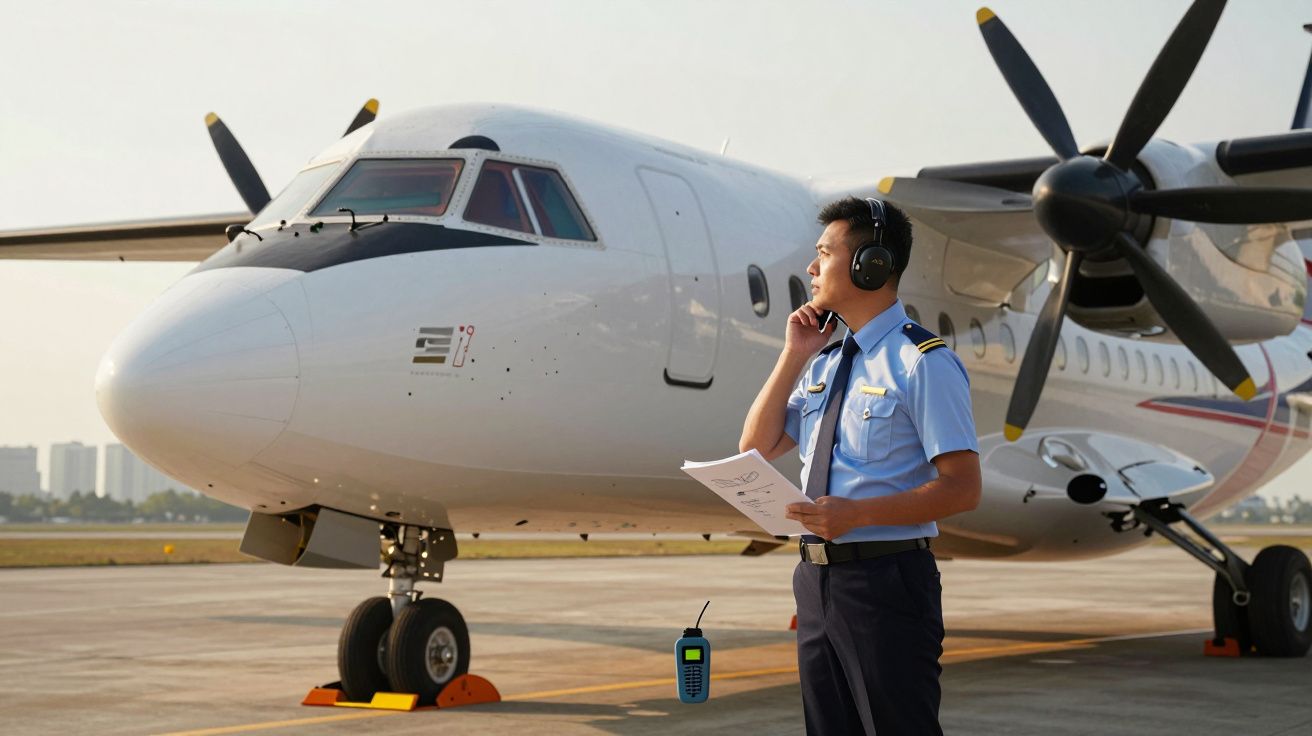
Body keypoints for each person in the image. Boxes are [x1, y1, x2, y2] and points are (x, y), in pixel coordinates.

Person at [739, 196, 981, 735]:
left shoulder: (924, 362)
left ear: (868, 264)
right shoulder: (824, 360)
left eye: (824, 252)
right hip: (816, 580)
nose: (811, 267)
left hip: (887, 581)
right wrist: (794, 353)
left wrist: (859, 515)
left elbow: (963, 489)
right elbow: (755, 446)